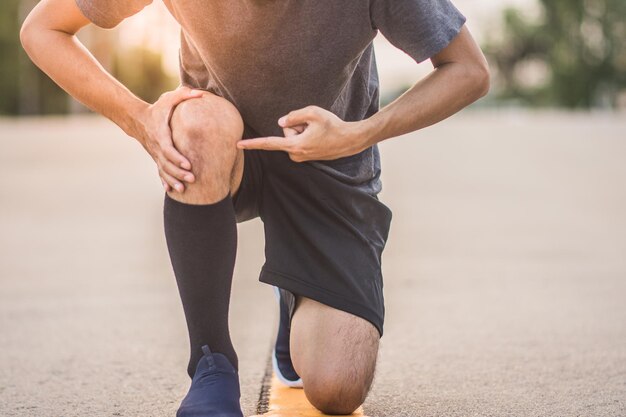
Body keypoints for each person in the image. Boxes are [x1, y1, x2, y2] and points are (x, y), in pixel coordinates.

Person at [20, 0, 489, 415]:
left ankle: (295, 292)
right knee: (197, 123)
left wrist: (359, 134)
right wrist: (139, 119)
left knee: (337, 389)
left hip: (330, 163)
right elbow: (42, 29)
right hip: (229, 145)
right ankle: (212, 363)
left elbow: (468, 70)